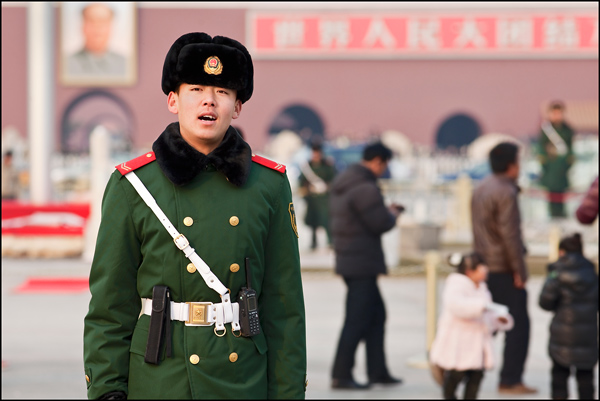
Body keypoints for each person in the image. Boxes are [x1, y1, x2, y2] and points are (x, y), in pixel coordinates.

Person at [83, 32, 307, 399]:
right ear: (173, 100)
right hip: (160, 377)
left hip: (242, 378)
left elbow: (284, 309)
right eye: (197, 89)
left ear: (236, 107)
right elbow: (110, 307)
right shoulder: (134, 185)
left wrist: (288, 392)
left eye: (222, 92)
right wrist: (107, 390)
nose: (209, 100)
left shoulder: (269, 185)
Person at [329, 142, 404, 390]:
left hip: (351, 259)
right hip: (361, 262)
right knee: (357, 319)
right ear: (378, 161)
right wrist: (393, 214)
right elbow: (380, 223)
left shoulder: (346, 181)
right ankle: (341, 374)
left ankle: (377, 371)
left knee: (376, 316)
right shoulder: (365, 187)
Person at [470, 142, 537, 395]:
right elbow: (510, 236)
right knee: (518, 326)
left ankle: (452, 365)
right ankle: (510, 379)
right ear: (512, 165)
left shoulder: (481, 188)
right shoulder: (506, 192)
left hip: (483, 265)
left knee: (487, 323)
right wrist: (519, 270)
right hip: (504, 267)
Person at [430, 252, 514, 400]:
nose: (486, 271)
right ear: (470, 271)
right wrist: (481, 307)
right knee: (455, 377)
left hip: (477, 344)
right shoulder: (456, 285)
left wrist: (500, 319)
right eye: (482, 269)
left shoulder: (481, 287)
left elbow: (488, 312)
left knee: (476, 378)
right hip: (458, 344)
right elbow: (456, 306)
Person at [538, 233, 598, 400]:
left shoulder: (556, 273)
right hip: (587, 336)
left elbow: (544, 302)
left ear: (561, 251)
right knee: (586, 379)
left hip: (562, 336)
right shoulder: (592, 273)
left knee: (559, 378)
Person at [537, 101, 575, 219]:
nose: (557, 116)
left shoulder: (567, 130)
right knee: (552, 197)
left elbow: (570, 152)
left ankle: (561, 216)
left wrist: (566, 163)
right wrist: (546, 162)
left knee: (561, 197)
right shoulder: (546, 130)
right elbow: (541, 151)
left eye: (559, 113)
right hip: (550, 169)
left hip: (562, 169)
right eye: (555, 113)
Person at [67, 3, 126, 77]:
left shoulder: (125, 64)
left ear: (111, 27)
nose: (97, 27)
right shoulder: (67, 63)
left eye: (102, 21)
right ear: (82, 26)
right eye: (91, 21)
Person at [298, 140, 337, 250]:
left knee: (326, 220)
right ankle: (313, 243)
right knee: (312, 222)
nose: (316, 155)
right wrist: (308, 189)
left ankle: (330, 242)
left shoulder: (327, 166)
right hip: (312, 199)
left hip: (325, 199)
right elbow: (302, 182)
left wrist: (326, 187)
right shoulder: (307, 167)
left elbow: (334, 180)